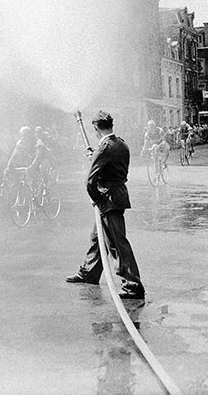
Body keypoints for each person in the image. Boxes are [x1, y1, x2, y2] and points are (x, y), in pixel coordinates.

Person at [66, 110, 145, 300]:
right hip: (118, 195)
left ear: (95, 128)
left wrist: (95, 198)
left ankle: (133, 285)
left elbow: (90, 181)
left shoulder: (105, 148)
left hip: (107, 199)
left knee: (117, 244)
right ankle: (89, 273)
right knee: (97, 237)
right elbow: (113, 165)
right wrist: (95, 155)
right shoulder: (120, 144)